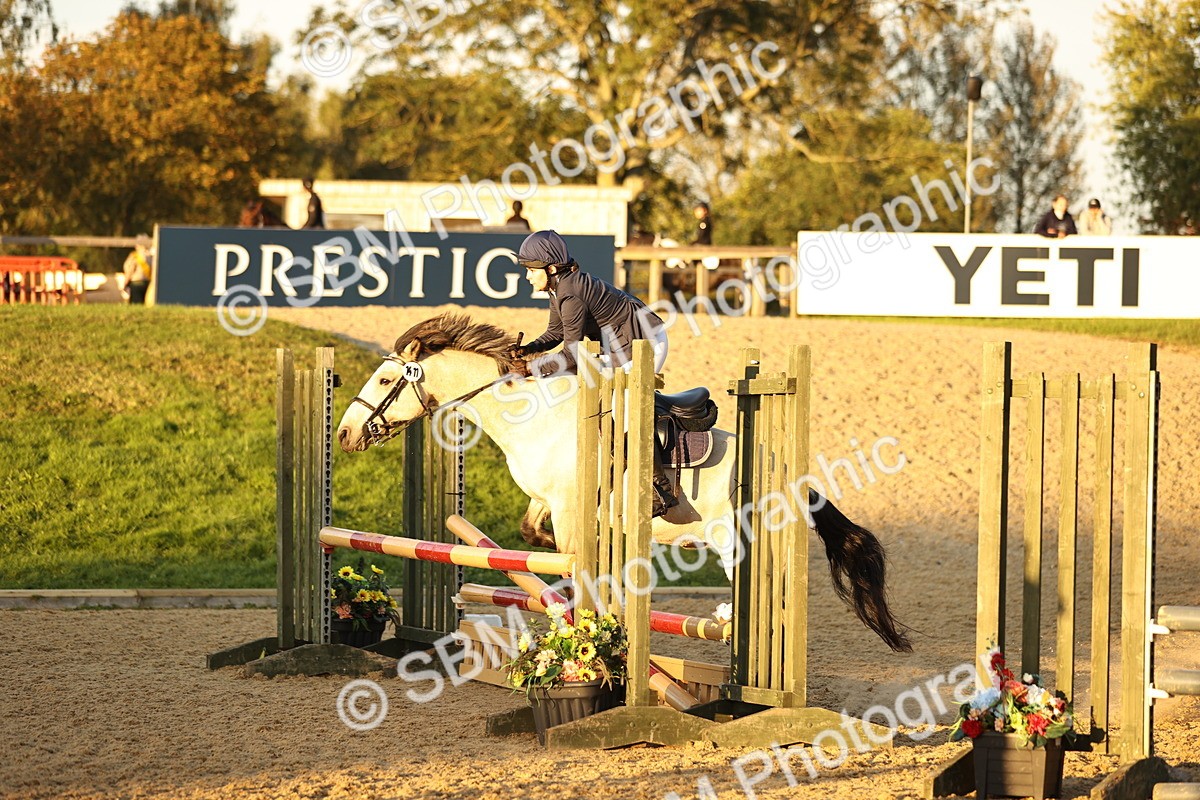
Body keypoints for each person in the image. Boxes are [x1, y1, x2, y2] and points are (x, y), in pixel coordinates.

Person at [509, 230, 677, 517]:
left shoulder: (570, 292)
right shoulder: (559, 288)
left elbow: (573, 356)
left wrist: (531, 368)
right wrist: (529, 349)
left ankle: (659, 490)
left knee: (625, 412)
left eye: (531, 270)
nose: (527, 276)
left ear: (551, 269)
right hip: (620, 345)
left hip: (645, 344)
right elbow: (556, 333)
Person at [122, 239, 154, 305]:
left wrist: (125, 283)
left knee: (136, 304)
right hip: (148, 284)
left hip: (136, 284)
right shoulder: (151, 257)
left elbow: (130, 271)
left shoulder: (135, 256)